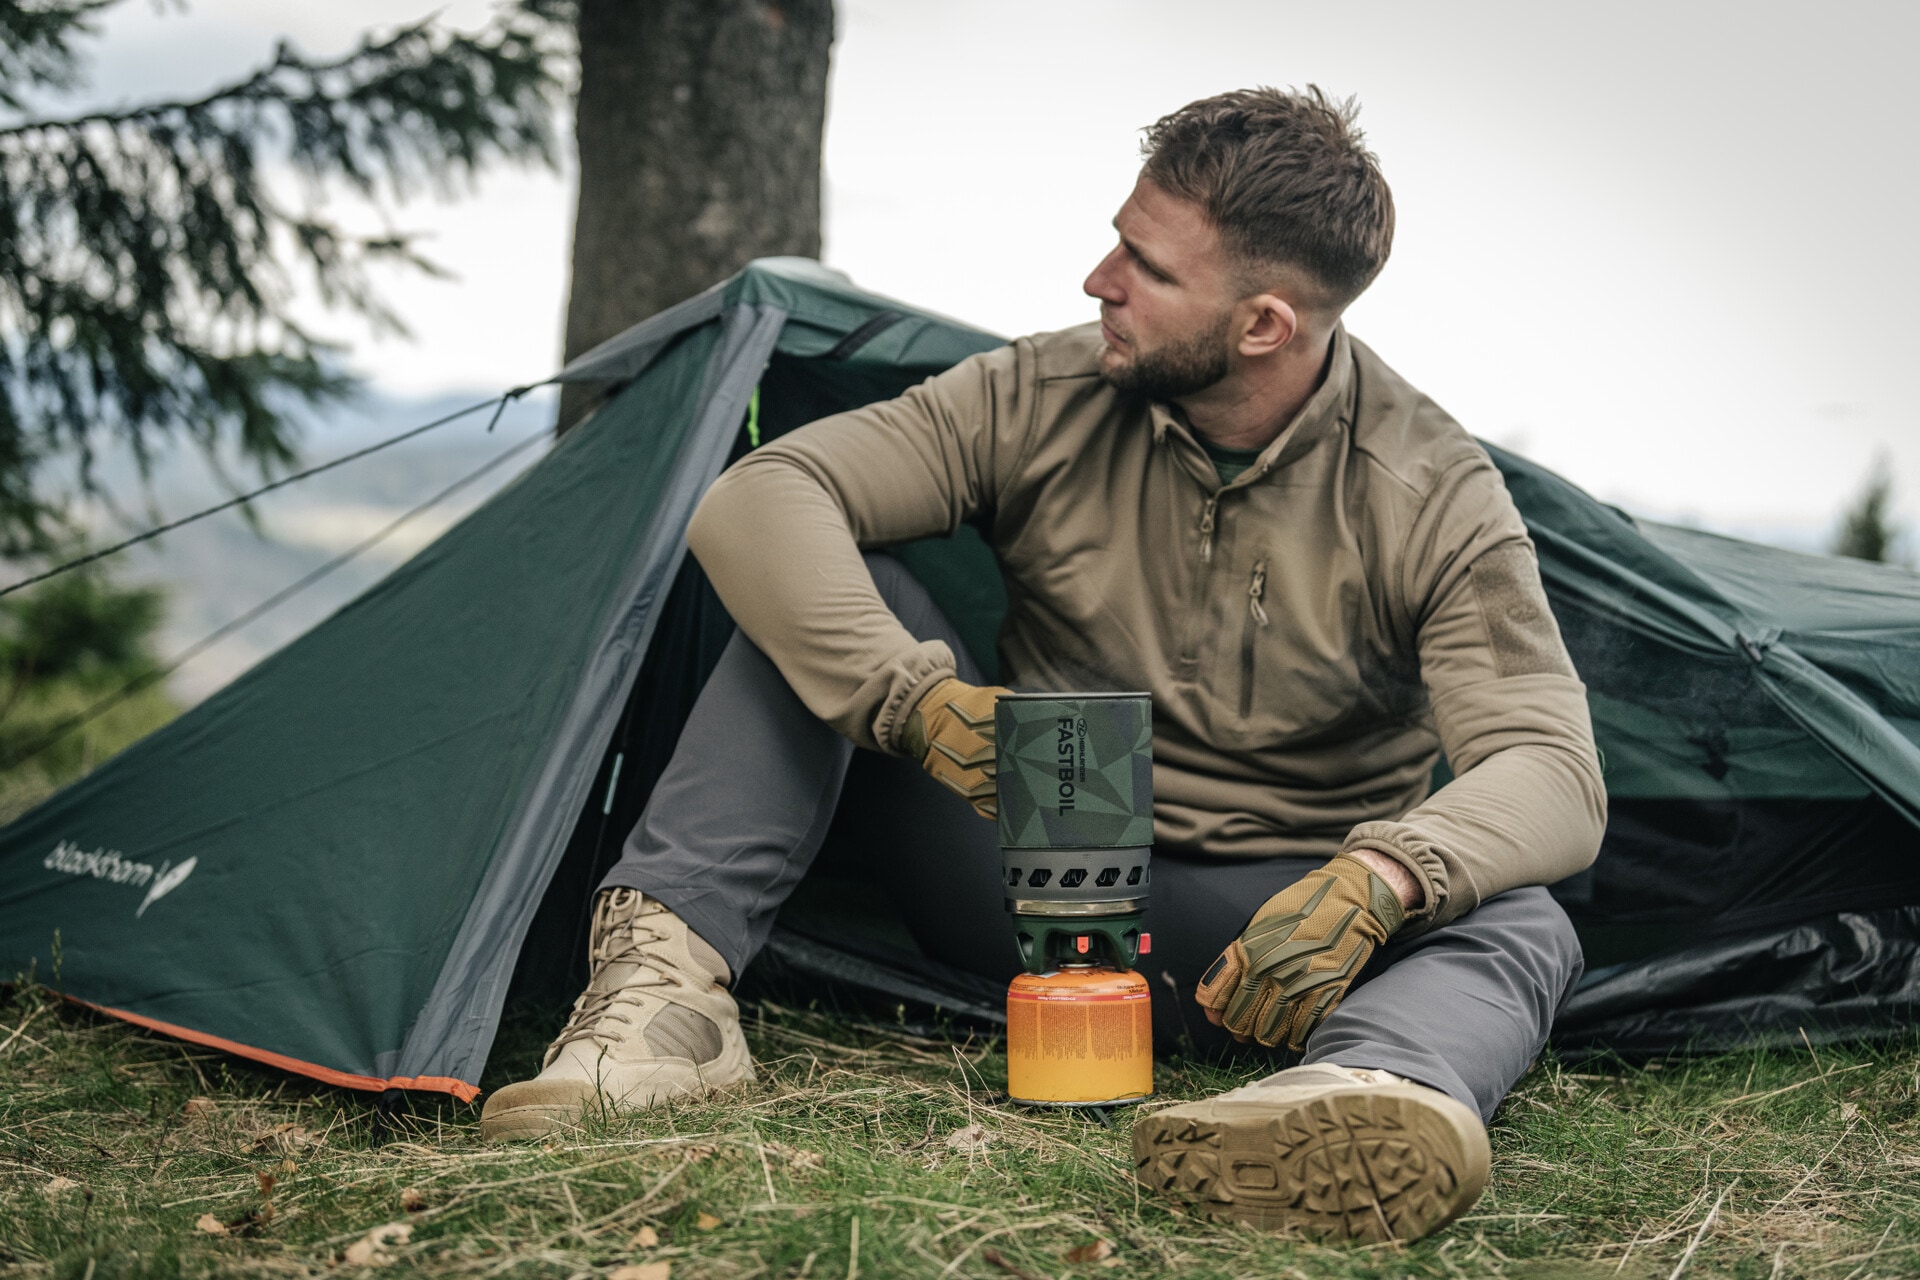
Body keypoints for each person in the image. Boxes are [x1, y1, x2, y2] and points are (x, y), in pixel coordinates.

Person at [480, 86, 1605, 1245]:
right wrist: (916, 702)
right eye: (1120, 238)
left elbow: (1553, 768)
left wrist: (1388, 876)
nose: (1098, 280)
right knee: (841, 598)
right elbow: (764, 496)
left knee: (1523, 910)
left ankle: (1357, 1097)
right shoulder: (1044, 391)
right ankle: (665, 1012)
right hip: (1023, 875)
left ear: (1265, 325)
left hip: (1276, 951)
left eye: (1146, 265)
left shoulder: (1433, 490)